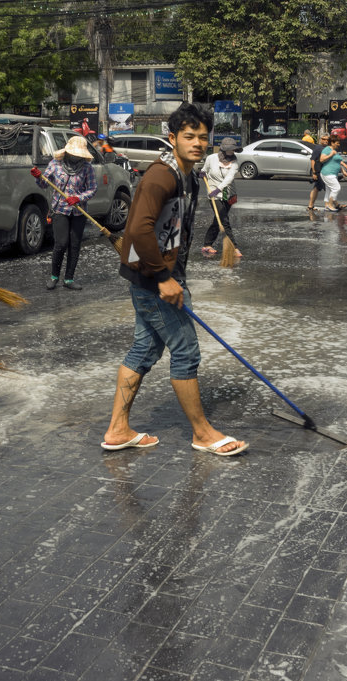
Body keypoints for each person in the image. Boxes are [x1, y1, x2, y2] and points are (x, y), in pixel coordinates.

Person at [101, 102, 248, 457]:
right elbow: (137, 229)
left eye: (202, 137)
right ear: (172, 138)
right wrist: (165, 279)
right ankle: (202, 433)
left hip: (149, 273)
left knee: (144, 349)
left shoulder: (186, 174)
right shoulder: (161, 175)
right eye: (188, 136)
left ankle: (118, 429)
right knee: (185, 351)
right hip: (153, 278)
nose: (197, 142)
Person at [31, 135, 97, 290]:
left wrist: (78, 198)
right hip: (60, 209)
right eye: (74, 154)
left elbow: (93, 189)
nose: (76, 157)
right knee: (61, 244)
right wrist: (38, 177)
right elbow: (44, 184)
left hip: (79, 212)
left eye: (78, 154)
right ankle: (54, 276)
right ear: (67, 152)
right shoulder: (55, 164)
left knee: (75, 245)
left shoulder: (87, 168)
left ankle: (69, 279)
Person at [201, 137, 242, 258]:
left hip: (227, 194)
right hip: (214, 195)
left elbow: (229, 178)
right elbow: (205, 169)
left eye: (234, 149)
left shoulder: (235, 161)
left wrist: (219, 189)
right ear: (224, 149)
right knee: (224, 220)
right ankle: (234, 247)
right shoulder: (211, 158)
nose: (233, 152)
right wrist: (202, 172)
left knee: (217, 220)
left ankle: (207, 244)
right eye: (231, 149)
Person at [319, 136, 347, 211]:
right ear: (332, 143)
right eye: (337, 143)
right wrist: (331, 154)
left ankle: (327, 205)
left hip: (333, 173)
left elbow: (337, 161)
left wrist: (343, 169)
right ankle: (331, 205)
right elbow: (321, 159)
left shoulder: (334, 150)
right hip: (327, 173)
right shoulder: (327, 149)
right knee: (336, 188)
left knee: (329, 190)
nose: (338, 144)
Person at [306, 134, 329, 211]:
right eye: (324, 139)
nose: (325, 141)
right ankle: (328, 206)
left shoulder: (328, 148)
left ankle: (310, 206)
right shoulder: (318, 148)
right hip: (319, 171)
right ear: (320, 139)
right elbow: (312, 160)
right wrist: (314, 172)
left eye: (327, 139)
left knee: (316, 188)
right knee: (328, 188)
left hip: (325, 171)